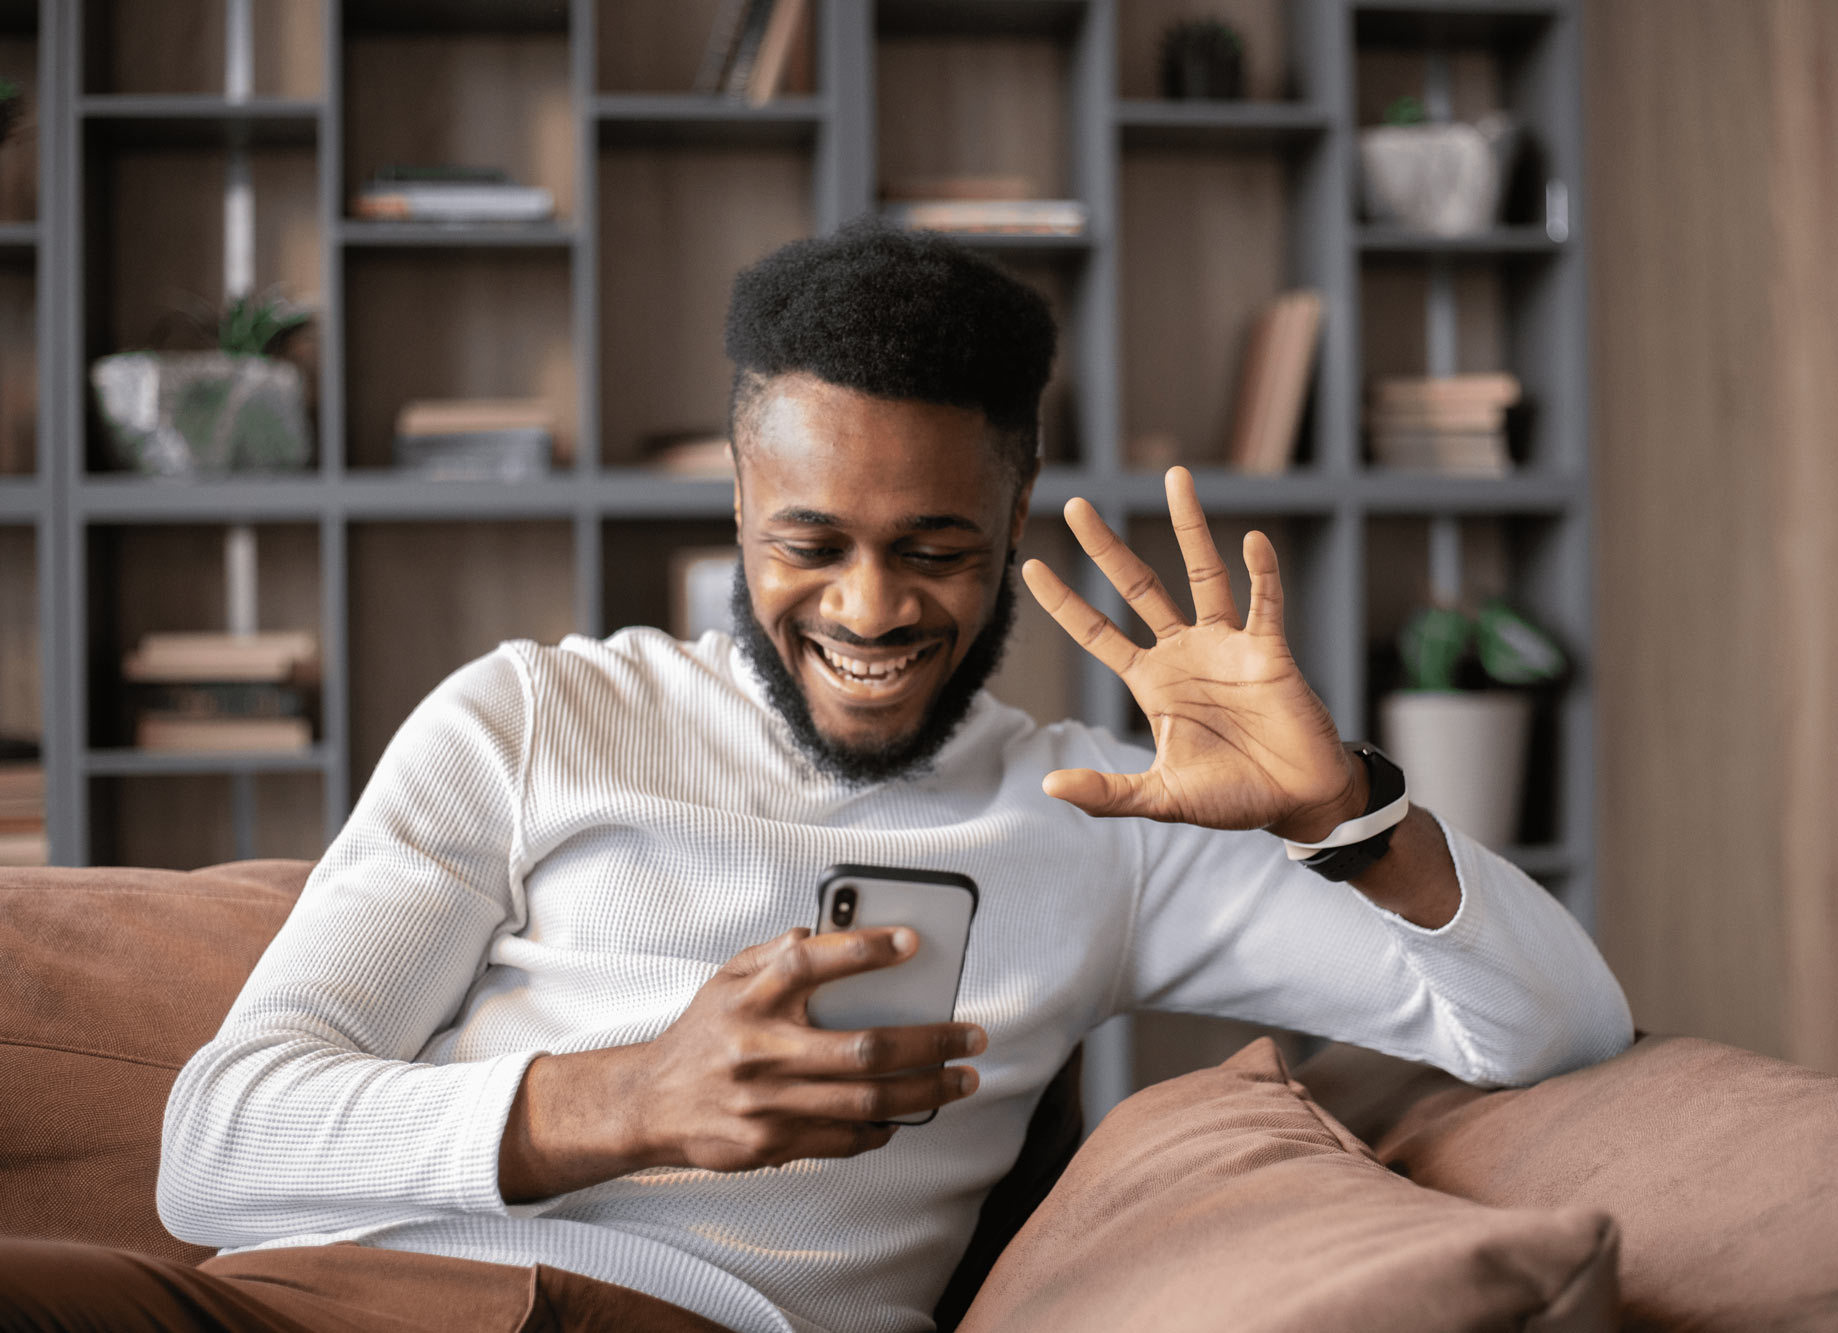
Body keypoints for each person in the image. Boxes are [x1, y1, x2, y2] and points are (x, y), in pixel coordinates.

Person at [0, 223, 1632, 1333]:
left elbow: (1562, 1030)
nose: (868, 610)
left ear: (1016, 513)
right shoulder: (534, 716)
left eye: (934, 548)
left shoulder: (1104, 820)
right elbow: (211, 1151)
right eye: (811, 543)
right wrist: (622, 1099)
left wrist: (1347, 809)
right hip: (311, 1302)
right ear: (732, 502)